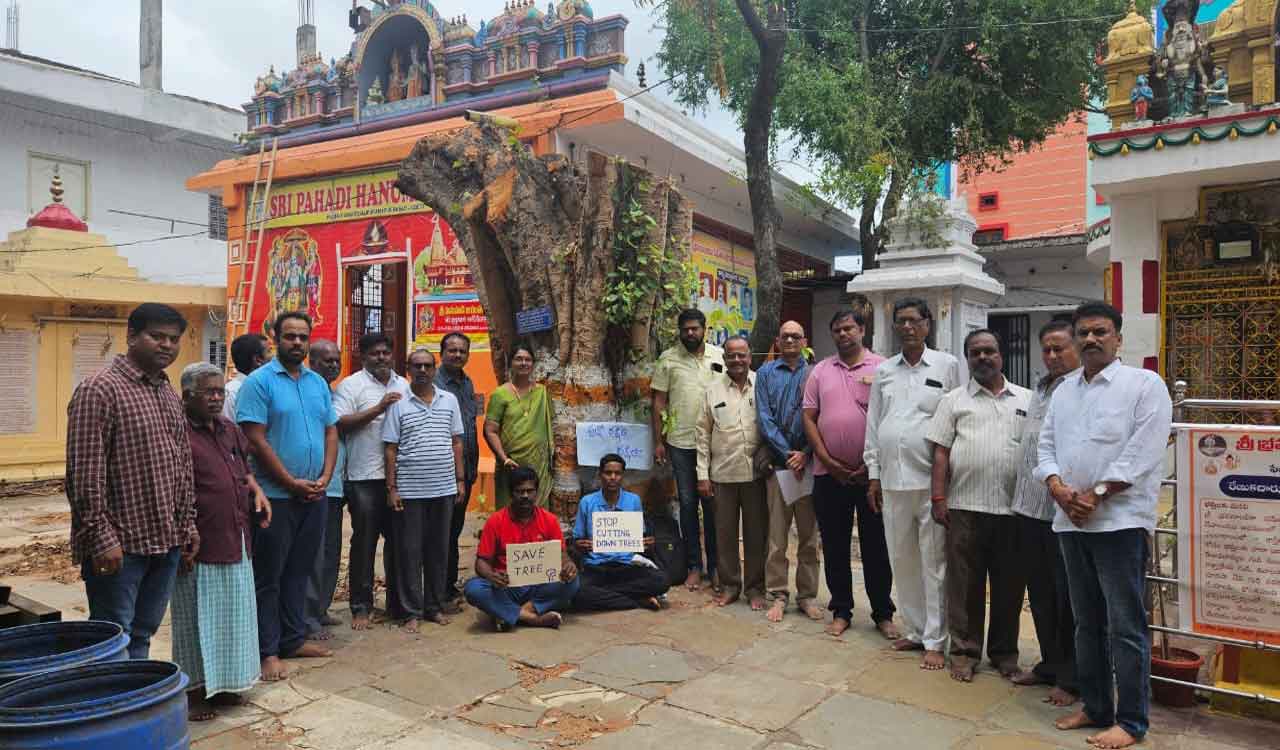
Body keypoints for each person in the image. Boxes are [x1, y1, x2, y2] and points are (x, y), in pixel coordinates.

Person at [1036, 301, 1172, 750]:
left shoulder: (1144, 386)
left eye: (1100, 332)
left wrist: (1095, 496)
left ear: (1118, 337)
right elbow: (1046, 446)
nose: (1091, 339)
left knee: (1125, 625)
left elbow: (1144, 451)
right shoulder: (1064, 390)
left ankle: (1131, 722)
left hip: (1118, 523)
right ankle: (1096, 706)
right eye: (1084, 333)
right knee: (1085, 622)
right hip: (1070, 523)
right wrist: (1057, 488)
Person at [66, 303, 197, 659]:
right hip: (121, 546)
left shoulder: (168, 394)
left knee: (143, 633)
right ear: (131, 336)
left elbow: (182, 467)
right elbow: (84, 474)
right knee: (112, 635)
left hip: (165, 541)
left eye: (173, 339)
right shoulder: (99, 390)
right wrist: (100, 537)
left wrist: (187, 528)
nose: (166, 345)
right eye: (156, 336)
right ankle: (108, 708)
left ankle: (131, 706)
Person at [237, 311, 337, 681]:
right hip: (276, 497)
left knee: (300, 570)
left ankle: (294, 639)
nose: (297, 343)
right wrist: (290, 482)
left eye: (303, 337)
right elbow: (255, 439)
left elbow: (330, 431)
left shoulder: (317, 383)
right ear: (274, 338)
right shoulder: (260, 383)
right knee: (270, 576)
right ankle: (268, 650)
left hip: (315, 494)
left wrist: (325, 476)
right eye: (290, 336)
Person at [926, 329, 1031, 683]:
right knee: (964, 585)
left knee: (1009, 586)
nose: (982, 358)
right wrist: (938, 497)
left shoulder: (1026, 400)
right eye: (975, 353)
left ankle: (1004, 654)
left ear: (1001, 355)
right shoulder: (953, 400)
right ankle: (965, 652)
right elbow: (940, 452)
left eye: (989, 351)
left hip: (1013, 511)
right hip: (964, 507)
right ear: (968, 358)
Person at [171, 363, 271, 721]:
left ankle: (227, 685)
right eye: (208, 392)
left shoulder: (228, 429)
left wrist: (256, 491)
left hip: (236, 536)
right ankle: (195, 692)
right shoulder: (177, 433)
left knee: (232, 618)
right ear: (187, 397)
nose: (216, 398)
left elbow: (244, 469)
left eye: (219, 392)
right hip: (199, 543)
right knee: (194, 622)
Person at [865, 298, 960, 669]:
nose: (907, 327)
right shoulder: (885, 371)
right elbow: (875, 423)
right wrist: (873, 475)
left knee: (934, 562)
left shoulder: (947, 366)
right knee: (902, 559)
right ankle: (916, 630)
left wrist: (947, 481)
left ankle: (937, 638)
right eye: (900, 321)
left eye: (913, 321)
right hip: (892, 479)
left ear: (927, 324)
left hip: (930, 481)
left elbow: (955, 418)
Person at [802, 308, 896, 638]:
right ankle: (841, 610)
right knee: (835, 545)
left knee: (876, 546)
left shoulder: (883, 368)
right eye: (838, 330)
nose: (844, 334)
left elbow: (891, 418)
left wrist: (873, 466)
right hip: (830, 476)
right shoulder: (820, 371)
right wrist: (827, 460)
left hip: (872, 476)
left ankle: (883, 613)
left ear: (862, 330)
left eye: (849, 328)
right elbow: (809, 418)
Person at [1009, 319, 1081, 706]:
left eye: (1059, 348)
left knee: (1065, 597)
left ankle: (1071, 678)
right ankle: (1050, 664)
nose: (1052, 356)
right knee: (1038, 595)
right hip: (1027, 509)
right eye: (1047, 349)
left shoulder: (1081, 390)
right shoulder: (1041, 387)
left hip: (1059, 513)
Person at [383, 349, 465, 632]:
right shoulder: (398, 403)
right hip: (410, 491)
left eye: (427, 366)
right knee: (410, 552)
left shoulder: (449, 400)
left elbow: (456, 442)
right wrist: (392, 488)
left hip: (443, 489)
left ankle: (434, 606)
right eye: (416, 366)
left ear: (434, 369)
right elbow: (391, 449)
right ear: (408, 369)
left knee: (438, 550)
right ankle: (410, 611)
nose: (422, 370)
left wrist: (460, 481)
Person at [334, 332, 411, 629]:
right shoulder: (351, 386)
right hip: (363, 477)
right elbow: (339, 422)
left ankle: (396, 604)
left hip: (398, 479)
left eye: (385, 353)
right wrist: (378, 409)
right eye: (375, 353)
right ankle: (361, 607)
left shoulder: (403, 384)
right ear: (363, 356)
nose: (381, 358)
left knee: (398, 543)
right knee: (364, 543)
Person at [651, 309, 725, 592]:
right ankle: (695, 565)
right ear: (680, 331)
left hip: (716, 442)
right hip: (680, 443)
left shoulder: (719, 356)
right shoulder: (668, 359)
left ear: (704, 329)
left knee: (714, 506)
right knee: (687, 505)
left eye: (695, 329)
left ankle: (717, 566)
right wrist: (659, 441)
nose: (691, 334)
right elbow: (659, 402)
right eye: (686, 330)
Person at [756, 321, 822, 623]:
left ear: (804, 340)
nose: (791, 340)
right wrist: (787, 455)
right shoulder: (766, 373)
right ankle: (778, 595)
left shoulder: (816, 373)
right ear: (777, 341)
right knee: (777, 539)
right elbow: (765, 418)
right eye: (786, 336)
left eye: (796, 336)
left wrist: (805, 454)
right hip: (779, 467)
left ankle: (807, 596)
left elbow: (822, 417)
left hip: (809, 466)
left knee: (809, 537)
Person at [696, 336, 768, 609]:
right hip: (722, 476)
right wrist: (702, 474)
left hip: (756, 475)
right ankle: (729, 585)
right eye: (731, 355)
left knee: (756, 534)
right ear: (724, 359)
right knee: (724, 535)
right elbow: (702, 435)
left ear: (750, 356)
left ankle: (755, 588)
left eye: (742, 355)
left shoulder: (762, 385)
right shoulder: (712, 390)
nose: (737, 360)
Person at [464, 466, 580, 630]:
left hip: (539, 586)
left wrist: (568, 565)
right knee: (474, 589)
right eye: (520, 491)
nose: (525, 496)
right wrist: (492, 576)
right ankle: (532, 618)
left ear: (536, 492)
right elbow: (481, 562)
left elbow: (561, 554)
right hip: (506, 587)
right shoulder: (495, 521)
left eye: (529, 491)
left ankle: (516, 612)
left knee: (573, 582)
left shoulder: (549, 520)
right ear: (511, 493)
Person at [571, 454, 668, 611]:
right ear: (600, 475)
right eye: (608, 473)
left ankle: (610, 597)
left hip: (626, 565)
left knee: (661, 581)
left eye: (617, 473)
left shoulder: (633, 500)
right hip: (596, 566)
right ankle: (637, 600)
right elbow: (576, 542)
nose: (613, 478)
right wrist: (581, 545)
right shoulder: (587, 502)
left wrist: (647, 544)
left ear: (623, 476)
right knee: (576, 591)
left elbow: (639, 538)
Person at [435, 331, 481, 606]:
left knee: (453, 530)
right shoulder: (435, 383)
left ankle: (448, 584)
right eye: (452, 350)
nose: (457, 355)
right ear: (442, 353)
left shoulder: (466, 383)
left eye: (462, 351)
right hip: (444, 472)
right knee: (439, 532)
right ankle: (437, 589)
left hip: (467, 470)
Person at [304, 339, 345, 639]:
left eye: (336, 360)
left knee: (331, 552)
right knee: (312, 556)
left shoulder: (331, 393)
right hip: (313, 487)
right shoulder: (307, 392)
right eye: (326, 360)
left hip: (336, 487)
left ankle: (320, 608)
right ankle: (307, 618)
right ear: (311, 362)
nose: (332, 365)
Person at [484, 343, 553, 509]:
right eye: (519, 359)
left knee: (537, 512)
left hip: (539, 467)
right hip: (511, 466)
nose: (524, 363)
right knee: (510, 512)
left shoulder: (542, 392)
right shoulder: (500, 394)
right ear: (511, 363)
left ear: (533, 364)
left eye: (528, 360)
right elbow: (490, 430)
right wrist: (504, 458)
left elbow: (551, 425)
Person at [224, 333, 269, 421]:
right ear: (257, 360)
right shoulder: (232, 393)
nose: (274, 357)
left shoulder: (267, 387)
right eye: (269, 351)